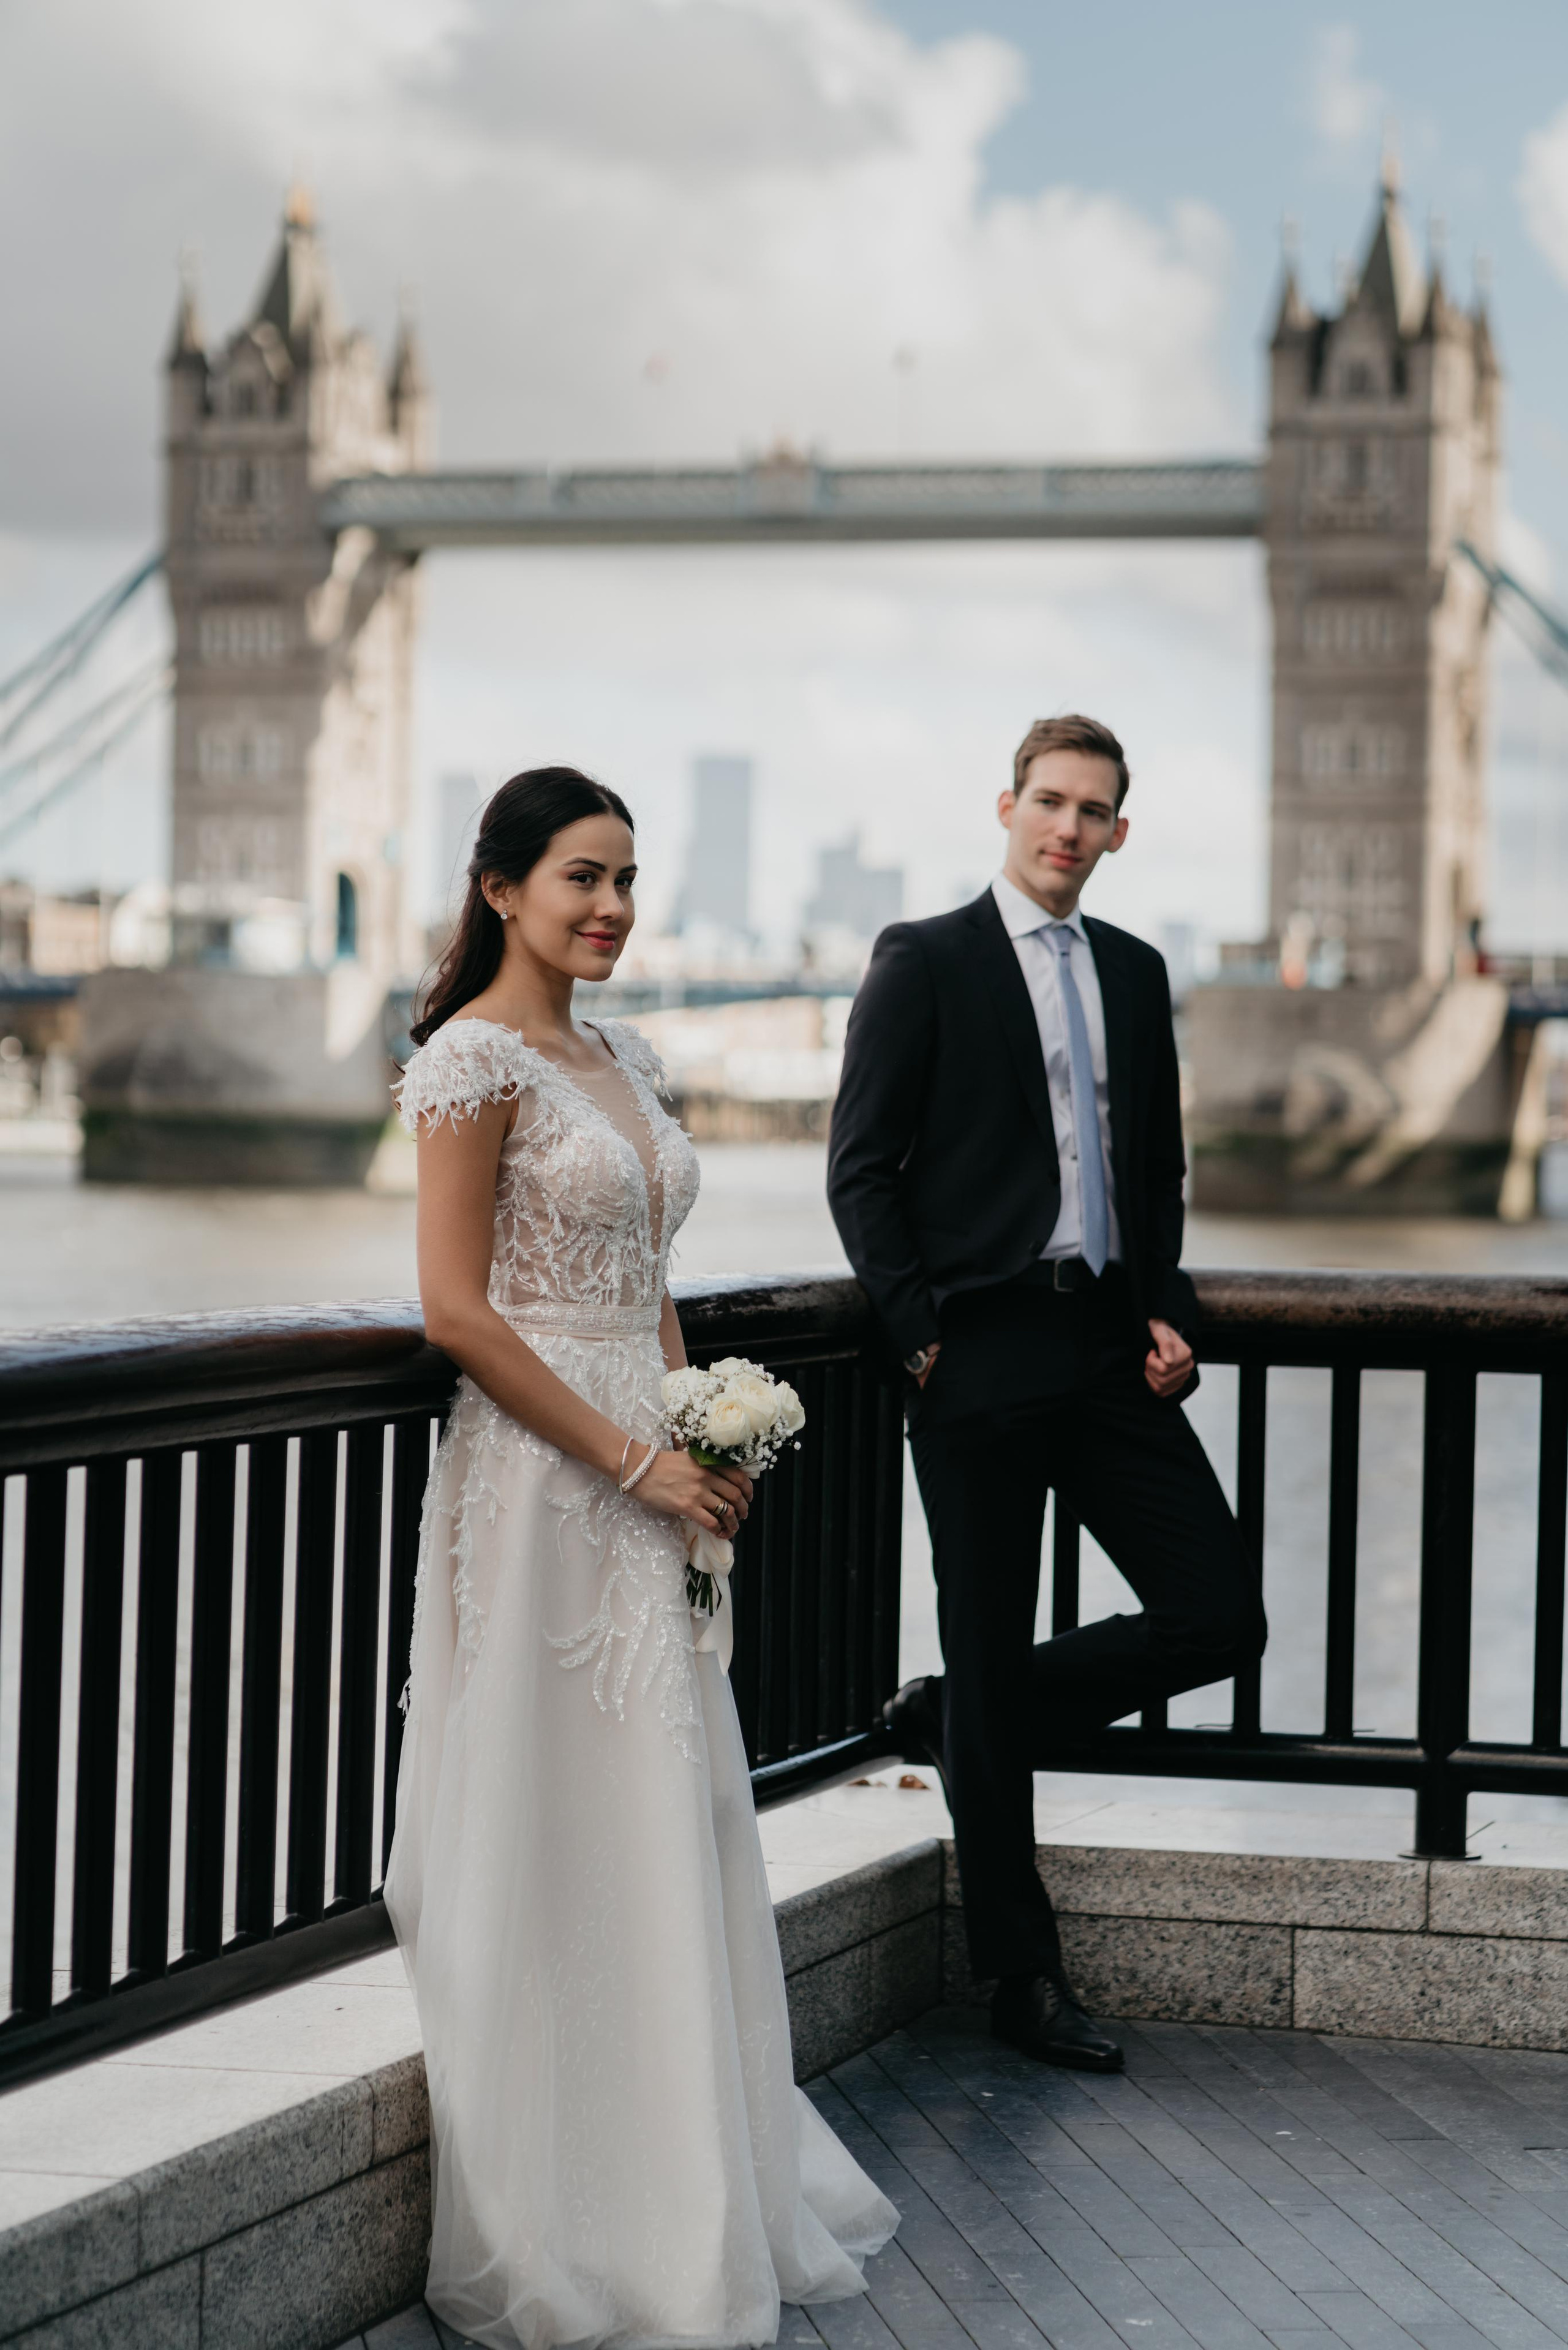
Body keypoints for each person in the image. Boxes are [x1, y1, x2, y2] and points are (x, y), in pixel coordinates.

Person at [384, 767, 896, 2350]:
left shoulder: (625, 1053)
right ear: (501, 887)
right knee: (552, 1822)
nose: (608, 905)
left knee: (664, 1819)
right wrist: (626, 1454)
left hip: (660, 1475)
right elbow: (459, 1311)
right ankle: (573, 2217)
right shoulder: (468, 1062)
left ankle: (687, 2187)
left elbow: (653, 1281)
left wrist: (703, 1437)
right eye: (579, 877)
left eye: (625, 878)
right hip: (545, 1485)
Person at [826, 714, 1265, 2075]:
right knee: (995, 1615)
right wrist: (916, 1341)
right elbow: (861, 1167)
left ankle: (959, 1707)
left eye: (1093, 810)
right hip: (975, 1355)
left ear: (1118, 833)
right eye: (1048, 801)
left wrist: (1164, 1309)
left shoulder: (1133, 973)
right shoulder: (925, 959)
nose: (1066, 827)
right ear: (1005, 806)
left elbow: (1156, 1171)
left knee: (1217, 1614)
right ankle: (1022, 1976)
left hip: (1101, 1350)